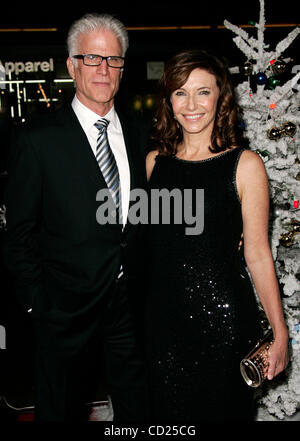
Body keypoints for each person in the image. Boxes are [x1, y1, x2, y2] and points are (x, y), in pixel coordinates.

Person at [3, 13, 149, 421]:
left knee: (138, 405)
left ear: (123, 66)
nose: (104, 69)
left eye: (113, 60)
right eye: (92, 58)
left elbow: (150, 215)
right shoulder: (37, 139)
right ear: (71, 65)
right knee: (60, 409)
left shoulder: (142, 133)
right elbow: (19, 235)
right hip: (63, 309)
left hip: (129, 305)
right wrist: (38, 305)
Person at [145, 49, 289, 422]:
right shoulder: (154, 164)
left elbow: (257, 253)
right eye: (180, 92)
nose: (191, 104)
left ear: (220, 98)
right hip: (165, 327)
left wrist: (278, 331)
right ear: (169, 100)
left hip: (224, 323)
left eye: (203, 92)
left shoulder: (245, 165)